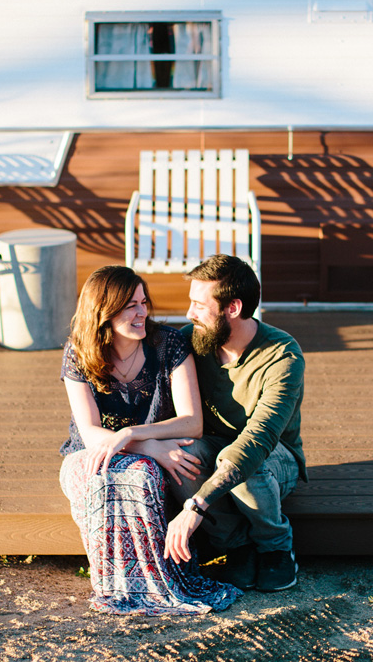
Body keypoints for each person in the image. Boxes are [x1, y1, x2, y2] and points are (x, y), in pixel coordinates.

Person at [58, 265, 241, 615]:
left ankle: (157, 582)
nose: (142, 312)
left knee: (143, 477)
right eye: (130, 305)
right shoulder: (77, 351)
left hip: (148, 451)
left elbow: (192, 423)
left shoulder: (169, 344)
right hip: (90, 453)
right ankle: (118, 584)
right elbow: (90, 432)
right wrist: (148, 447)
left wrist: (132, 434)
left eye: (143, 302)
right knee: (101, 478)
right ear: (104, 310)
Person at [164, 254, 307, 592]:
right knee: (180, 454)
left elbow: (258, 440)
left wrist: (196, 505)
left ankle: (276, 547)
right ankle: (236, 545)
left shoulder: (283, 356)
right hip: (215, 450)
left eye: (200, 306)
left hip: (274, 458)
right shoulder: (192, 341)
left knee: (244, 460)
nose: (189, 314)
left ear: (232, 308)